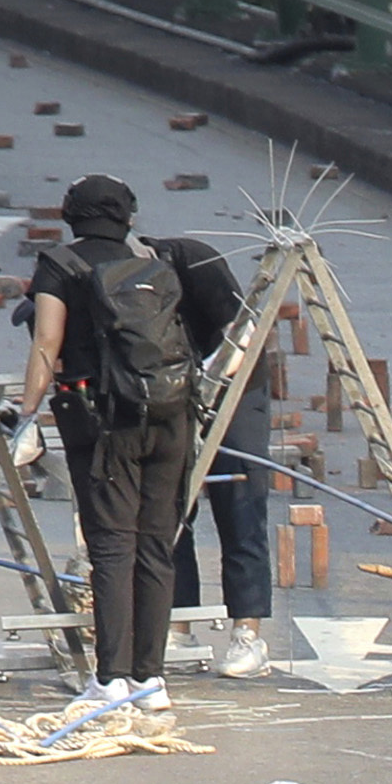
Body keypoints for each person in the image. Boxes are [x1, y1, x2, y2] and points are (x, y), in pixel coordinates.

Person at [22, 176, 200, 739]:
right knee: (156, 542)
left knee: (111, 542)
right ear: (127, 215)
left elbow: (46, 343)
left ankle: (111, 677)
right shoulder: (150, 260)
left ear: (71, 214)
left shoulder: (60, 264)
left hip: (101, 418)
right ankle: (152, 678)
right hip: (171, 412)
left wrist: (26, 415)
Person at [158, 227, 282, 679]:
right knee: (168, 508)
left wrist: (210, 384)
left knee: (240, 504)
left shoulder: (192, 258)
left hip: (233, 386)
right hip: (172, 389)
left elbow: (242, 332)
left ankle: (247, 635)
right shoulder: (108, 277)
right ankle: (178, 626)